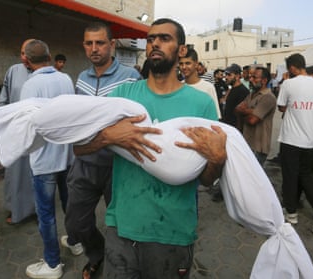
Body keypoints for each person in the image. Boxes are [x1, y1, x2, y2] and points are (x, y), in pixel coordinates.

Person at [72, 18, 227, 279]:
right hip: (121, 228)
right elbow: (79, 147)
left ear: (181, 50)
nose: (154, 43)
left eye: (164, 38)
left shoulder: (201, 104)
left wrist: (218, 160)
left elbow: (206, 179)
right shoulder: (122, 95)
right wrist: (110, 136)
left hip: (173, 233)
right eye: (150, 38)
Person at [60, 21, 141, 278]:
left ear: (112, 44)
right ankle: (97, 254)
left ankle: (121, 266)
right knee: (75, 223)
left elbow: (138, 120)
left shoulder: (131, 77)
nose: (94, 48)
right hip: (84, 162)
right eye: (89, 43)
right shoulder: (82, 79)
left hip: (118, 166)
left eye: (100, 42)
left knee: (121, 225)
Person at [19, 39, 79, 279]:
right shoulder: (65, 78)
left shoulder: (30, 85)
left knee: (46, 214)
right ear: (50, 55)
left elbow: (28, 124)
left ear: (26, 59)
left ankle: (53, 264)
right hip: (67, 155)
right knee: (69, 205)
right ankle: (75, 242)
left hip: (43, 161)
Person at [277, 53, 313, 233]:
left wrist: (285, 86)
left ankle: (291, 214)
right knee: (305, 175)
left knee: (290, 177)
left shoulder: (288, 83)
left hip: (291, 139)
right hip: (309, 140)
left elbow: (281, 107)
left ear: (292, 67)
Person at [0, 39, 35, 225]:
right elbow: (3, 99)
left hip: (37, 134)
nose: (24, 57)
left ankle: (36, 210)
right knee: (15, 173)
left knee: (35, 173)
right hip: (15, 131)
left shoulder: (44, 73)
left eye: (28, 53)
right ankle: (16, 210)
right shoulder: (13, 71)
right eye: (22, 53)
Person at [235, 66, 276, 165]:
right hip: (246, 144)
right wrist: (250, 111)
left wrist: (244, 111)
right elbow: (236, 110)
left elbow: (252, 120)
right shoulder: (250, 95)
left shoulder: (268, 97)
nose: (251, 79)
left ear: (264, 80)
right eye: (250, 77)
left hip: (258, 147)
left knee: (251, 178)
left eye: (254, 77)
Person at [179, 48, 221, 120]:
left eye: (188, 63)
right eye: (181, 64)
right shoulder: (178, 87)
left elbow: (216, 117)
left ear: (196, 64)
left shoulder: (208, 87)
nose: (184, 67)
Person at [223, 63, 249, 131]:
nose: (226, 77)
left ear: (237, 76)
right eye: (226, 75)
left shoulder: (243, 91)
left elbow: (241, 115)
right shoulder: (232, 89)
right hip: (227, 128)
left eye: (229, 75)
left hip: (235, 131)